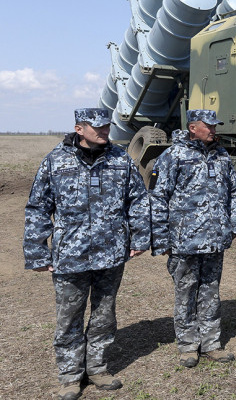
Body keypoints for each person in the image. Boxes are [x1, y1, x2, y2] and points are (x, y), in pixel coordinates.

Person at [23, 108, 150, 400]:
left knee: (105, 315)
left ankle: (98, 368)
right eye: (98, 127)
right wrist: (37, 253)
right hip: (70, 255)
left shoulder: (120, 160)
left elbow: (138, 201)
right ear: (80, 128)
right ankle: (69, 376)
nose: (105, 131)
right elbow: (38, 208)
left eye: (107, 126)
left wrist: (141, 237)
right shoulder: (55, 162)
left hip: (111, 253)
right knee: (69, 316)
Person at [150, 110, 236, 368]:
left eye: (215, 125)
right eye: (208, 125)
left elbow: (234, 191)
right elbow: (158, 199)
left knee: (211, 292)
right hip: (184, 240)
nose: (213, 129)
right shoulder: (173, 156)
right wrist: (161, 239)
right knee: (186, 292)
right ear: (192, 127)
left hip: (214, 239)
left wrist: (233, 225)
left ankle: (212, 343)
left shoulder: (221, 155)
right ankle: (188, 345)